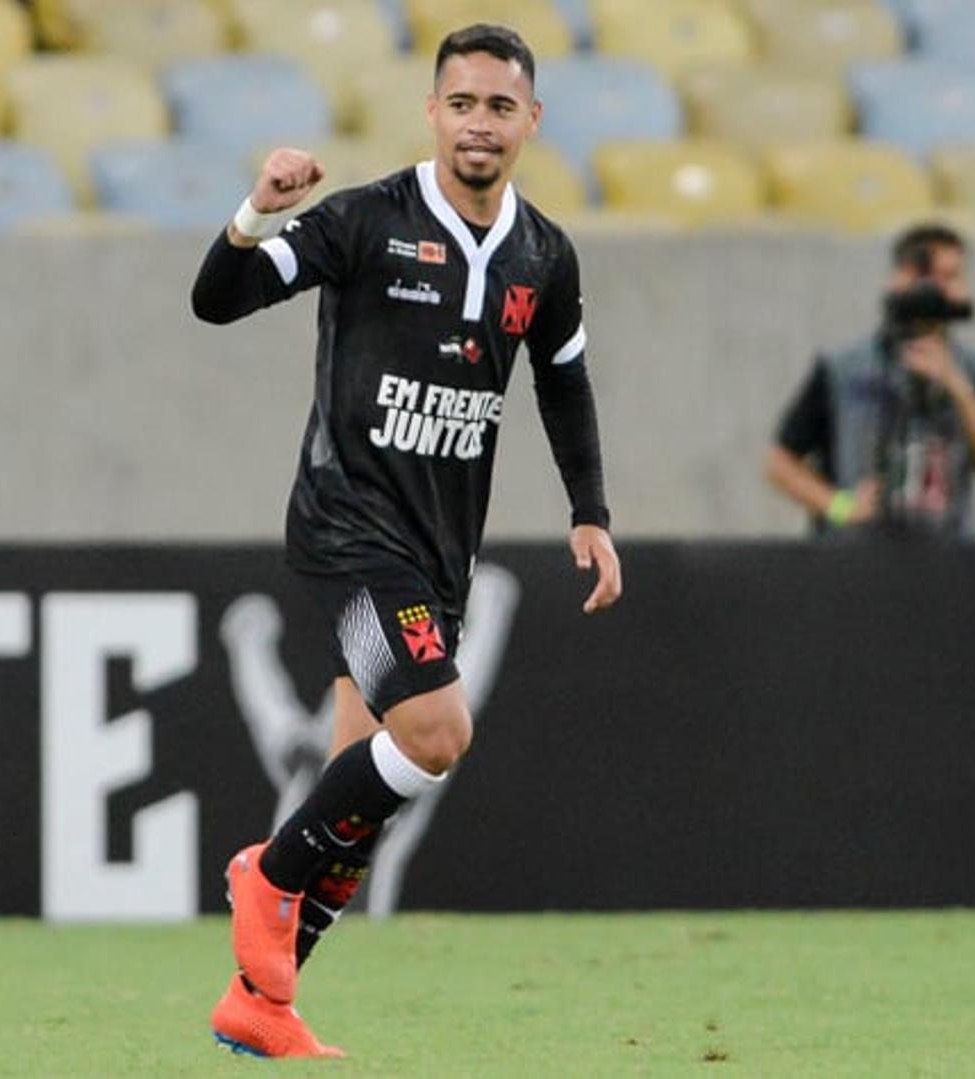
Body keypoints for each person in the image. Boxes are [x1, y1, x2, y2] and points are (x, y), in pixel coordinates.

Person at [190, 23, 622, 1058]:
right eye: (462, 103)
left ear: (531, 121)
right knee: (436, 732)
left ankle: (261, 1000)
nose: (480, 124)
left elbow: (561, 380)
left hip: (439, 552)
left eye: (500, 107)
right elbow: (217, 301)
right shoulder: (364, 221)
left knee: (367, 790)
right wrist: (256, 212)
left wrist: (590, 509)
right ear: (432, 111)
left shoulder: (542, 254)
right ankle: (269, 873)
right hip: (349, 530)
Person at [766, 224, 975, 538]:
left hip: (947, 561)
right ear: (900, 278)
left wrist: (956, 386)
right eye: (930, 275)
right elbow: (779, 464)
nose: (939, 290)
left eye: (952, 277)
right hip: (855, 560)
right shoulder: (842, 368)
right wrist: (840, 506)